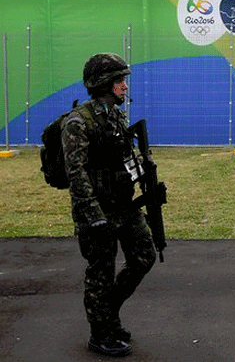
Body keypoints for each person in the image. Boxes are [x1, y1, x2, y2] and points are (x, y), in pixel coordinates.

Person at [61, 53, 156, 357]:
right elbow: (76, 174)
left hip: (123, 204)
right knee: (100, 271)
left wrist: (145, 176)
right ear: (103, 83)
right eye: (119, 80)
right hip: (97, 211)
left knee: (144, 256)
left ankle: (108, 314)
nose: (124, 86)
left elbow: (124, 156)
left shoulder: (115, 115)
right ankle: (100, 333)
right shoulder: (78, 122)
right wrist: (93, 216)